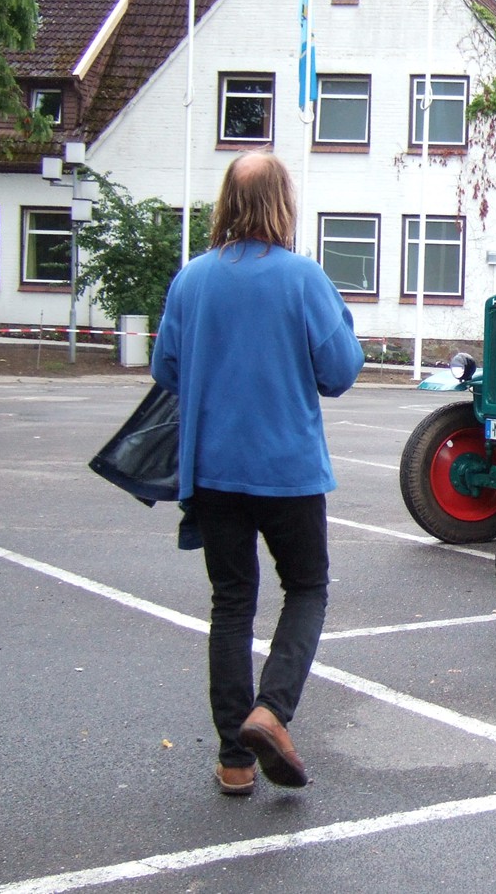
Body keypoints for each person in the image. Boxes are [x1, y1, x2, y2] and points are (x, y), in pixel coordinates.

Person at [151, 150, 363, 796]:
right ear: (282, 204)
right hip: (289, 472)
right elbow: (342, 370)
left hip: (213, 472)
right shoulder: (304, 280)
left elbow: (166, 371)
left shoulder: (191, 281)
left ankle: (234, 761)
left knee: (232, 603)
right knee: (306, 588)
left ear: (225, 203)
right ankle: (272, 709)